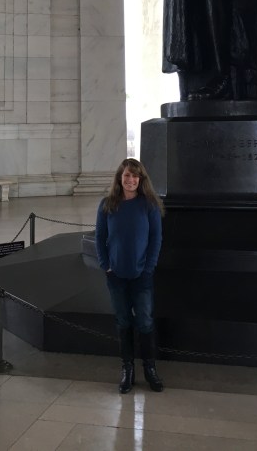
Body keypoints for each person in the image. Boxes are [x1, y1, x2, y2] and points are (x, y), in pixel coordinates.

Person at [95, 158, 165, 393]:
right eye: (127, 175)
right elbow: (100, 239)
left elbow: (156, 239)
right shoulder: (107, 205)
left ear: (141, 179)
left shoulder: (150, 205)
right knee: (123, 321)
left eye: (135, 176)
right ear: (120, 178)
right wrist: (106, 265)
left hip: (142, 274)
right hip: (116, 274)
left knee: (144, 321)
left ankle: (150, 368)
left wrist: (149, 267)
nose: (131, 180)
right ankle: (127, 369)